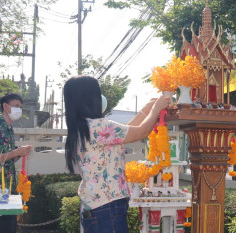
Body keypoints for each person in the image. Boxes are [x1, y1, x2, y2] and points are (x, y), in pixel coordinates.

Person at [64, 75, 170, 233]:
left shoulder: (84, 128)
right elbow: (141, 132)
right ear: (90, 98)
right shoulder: (99, 127)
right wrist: (155, 110)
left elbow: (126, 131)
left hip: (97, 208)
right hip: (108, 208)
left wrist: (146, 110)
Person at [0, 93, 32, 233]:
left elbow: (8, 158)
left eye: (21, 107)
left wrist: (21, 154)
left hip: (7, 188)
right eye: (16, 106)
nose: (19, 110)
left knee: (9, 228)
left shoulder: (9, 130)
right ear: (5, 106)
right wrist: (16, 152)